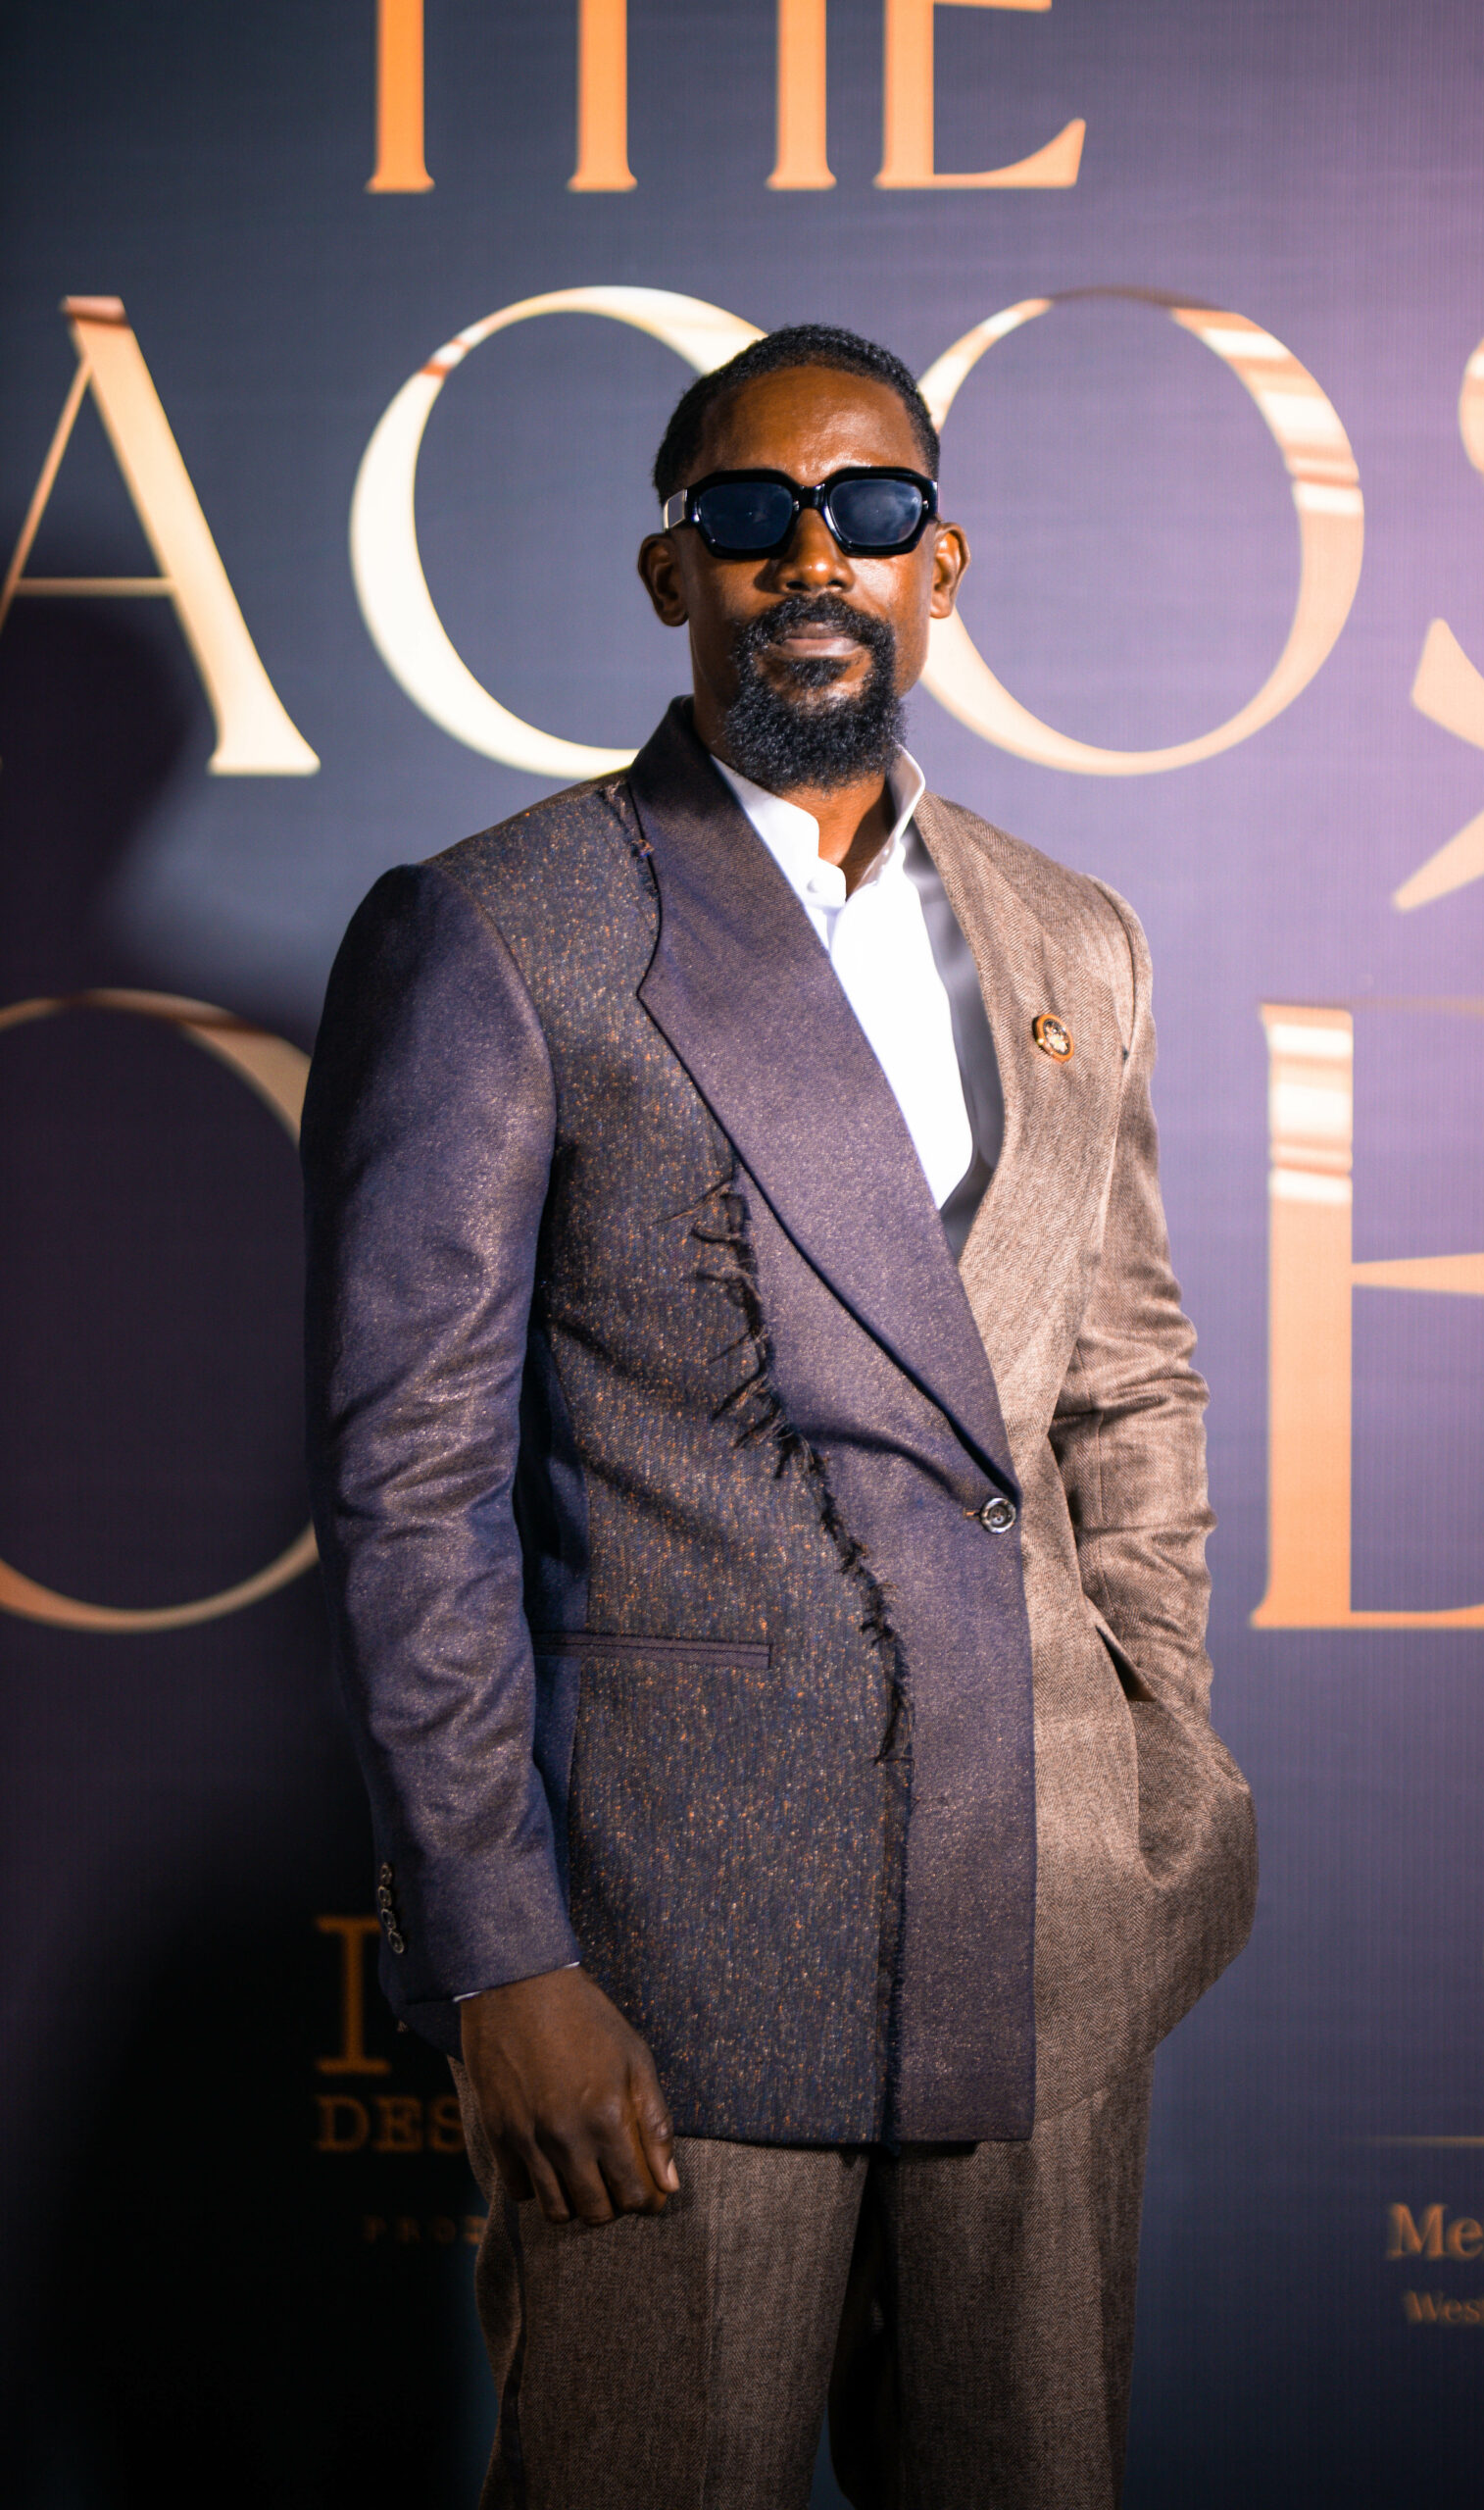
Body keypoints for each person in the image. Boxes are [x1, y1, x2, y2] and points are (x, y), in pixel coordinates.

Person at [302, 324, 1256, 2509]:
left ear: (940, 565)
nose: (811, 554)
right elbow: (409, 1485)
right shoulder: (502, 929)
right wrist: (501, 1955)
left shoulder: (1073, 935)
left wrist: (1156, 1766)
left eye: (870, 510)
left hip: (1048, 1916)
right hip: (672, 1951)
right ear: (673, 570)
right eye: (751, 512)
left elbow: (1129, 1378)